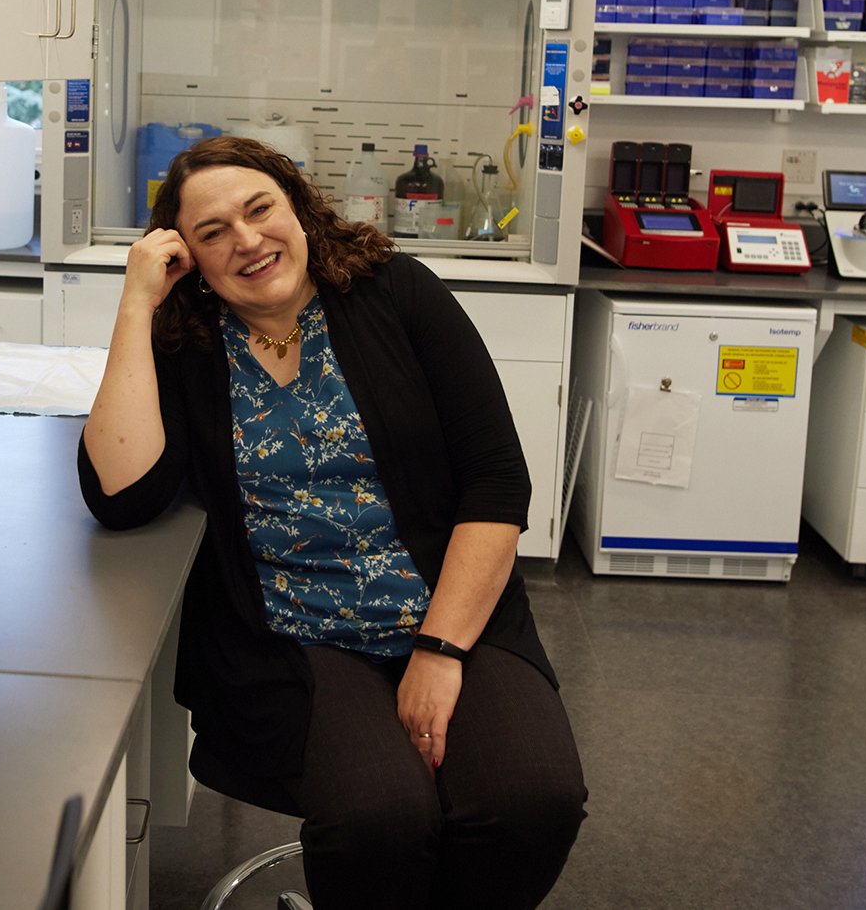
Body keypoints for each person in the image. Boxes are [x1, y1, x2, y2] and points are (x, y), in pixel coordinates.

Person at [79, 136, 587, 910]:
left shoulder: (396, 294)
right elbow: (123, 494)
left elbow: (497, 481)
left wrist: (441, 651)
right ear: (189, 257)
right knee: (379, 815)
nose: (247, 241)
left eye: (260, 210)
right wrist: (135, 303)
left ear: (300, 210)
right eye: (213, 233)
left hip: (449, 610)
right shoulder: (187, 342)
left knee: (533, 799)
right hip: (291, 636)